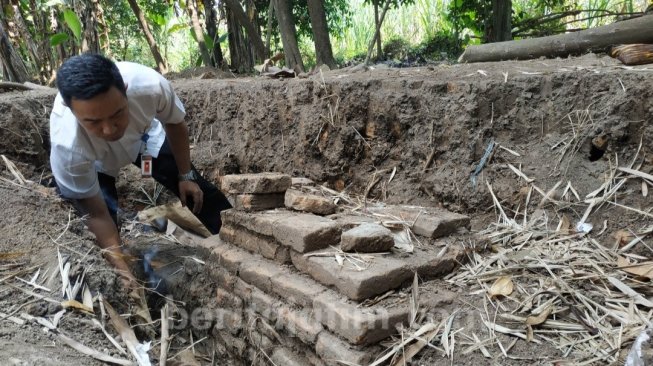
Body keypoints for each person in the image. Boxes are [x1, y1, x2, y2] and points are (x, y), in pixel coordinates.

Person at [49, 53, 231, 292]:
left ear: (125, 90)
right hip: (96, 162)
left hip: (143, 140)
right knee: (107, 213)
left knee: (196, 189)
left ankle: (236, 238)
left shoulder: (149, 86)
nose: (109, 129)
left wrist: (185, 175)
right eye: (93, 122)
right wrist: (122, 271)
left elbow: (175, 123)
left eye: (117, 114)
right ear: (71, 111)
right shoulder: (68, 149)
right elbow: (96, 215)